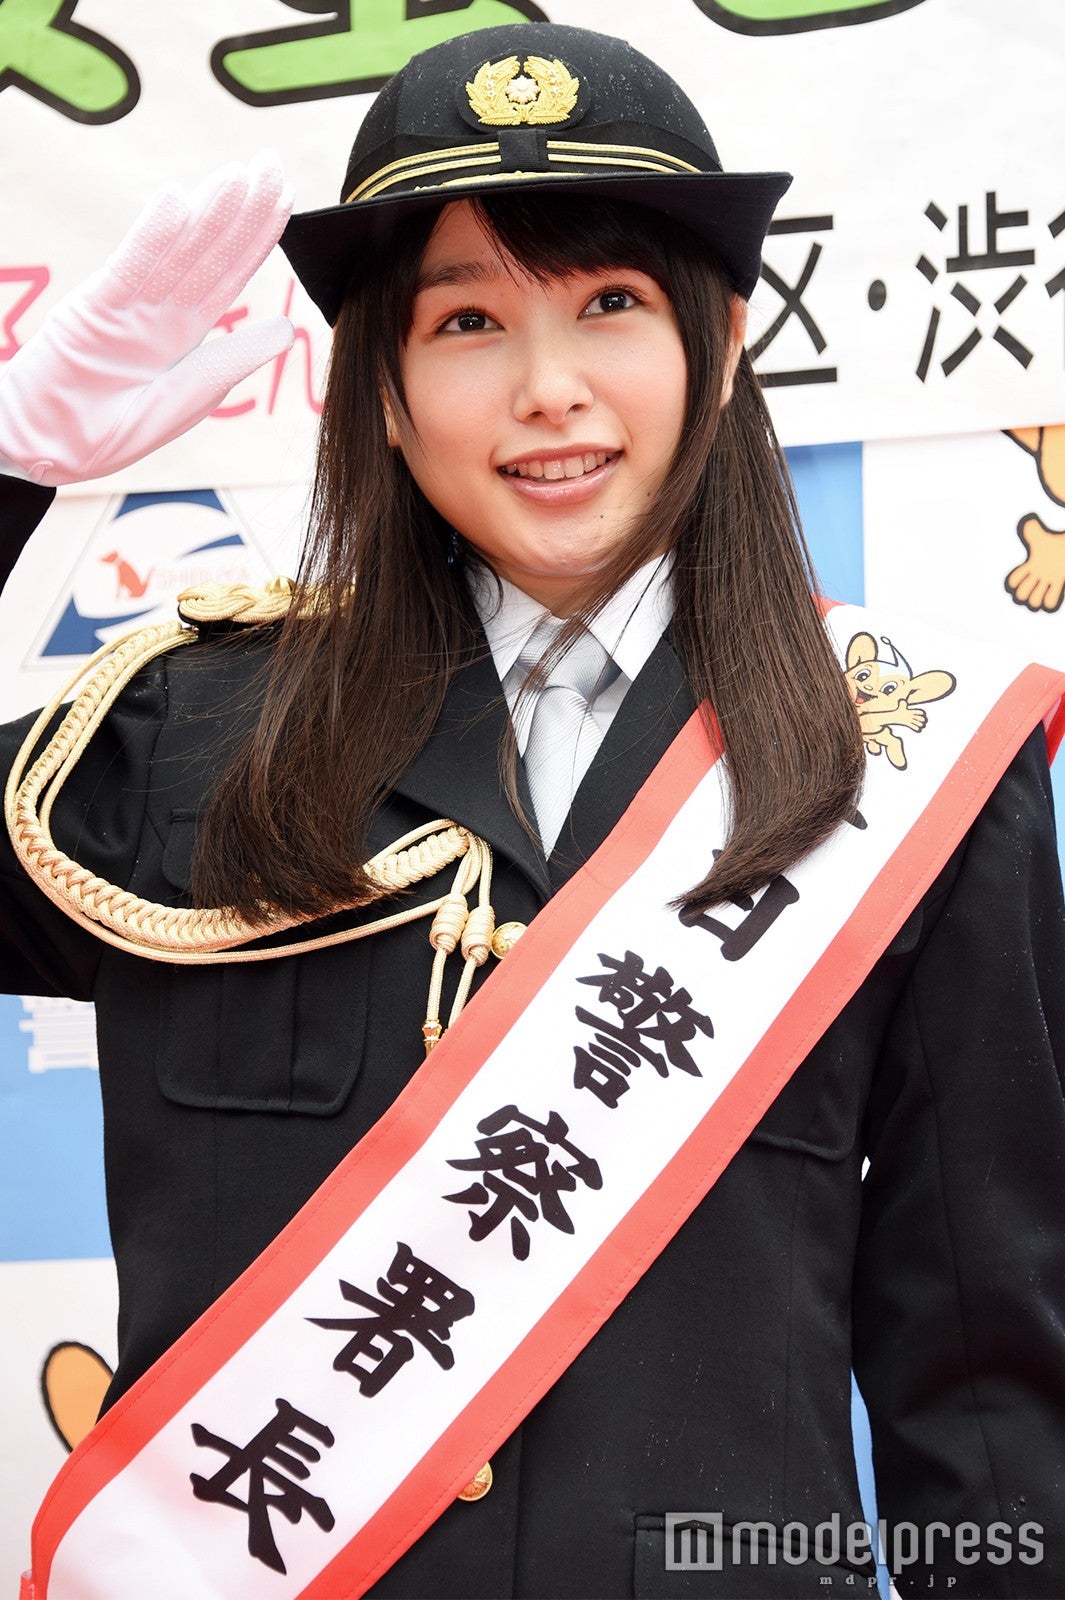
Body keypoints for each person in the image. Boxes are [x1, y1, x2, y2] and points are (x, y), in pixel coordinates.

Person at [2, 23, 1065, 1600]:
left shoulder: (903, 762)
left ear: (719, 345)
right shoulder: (182, 736)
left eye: (609, 305)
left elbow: (984, 1402)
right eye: (467, 322)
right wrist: (6, 467)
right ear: (380, 389)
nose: (547, 390)